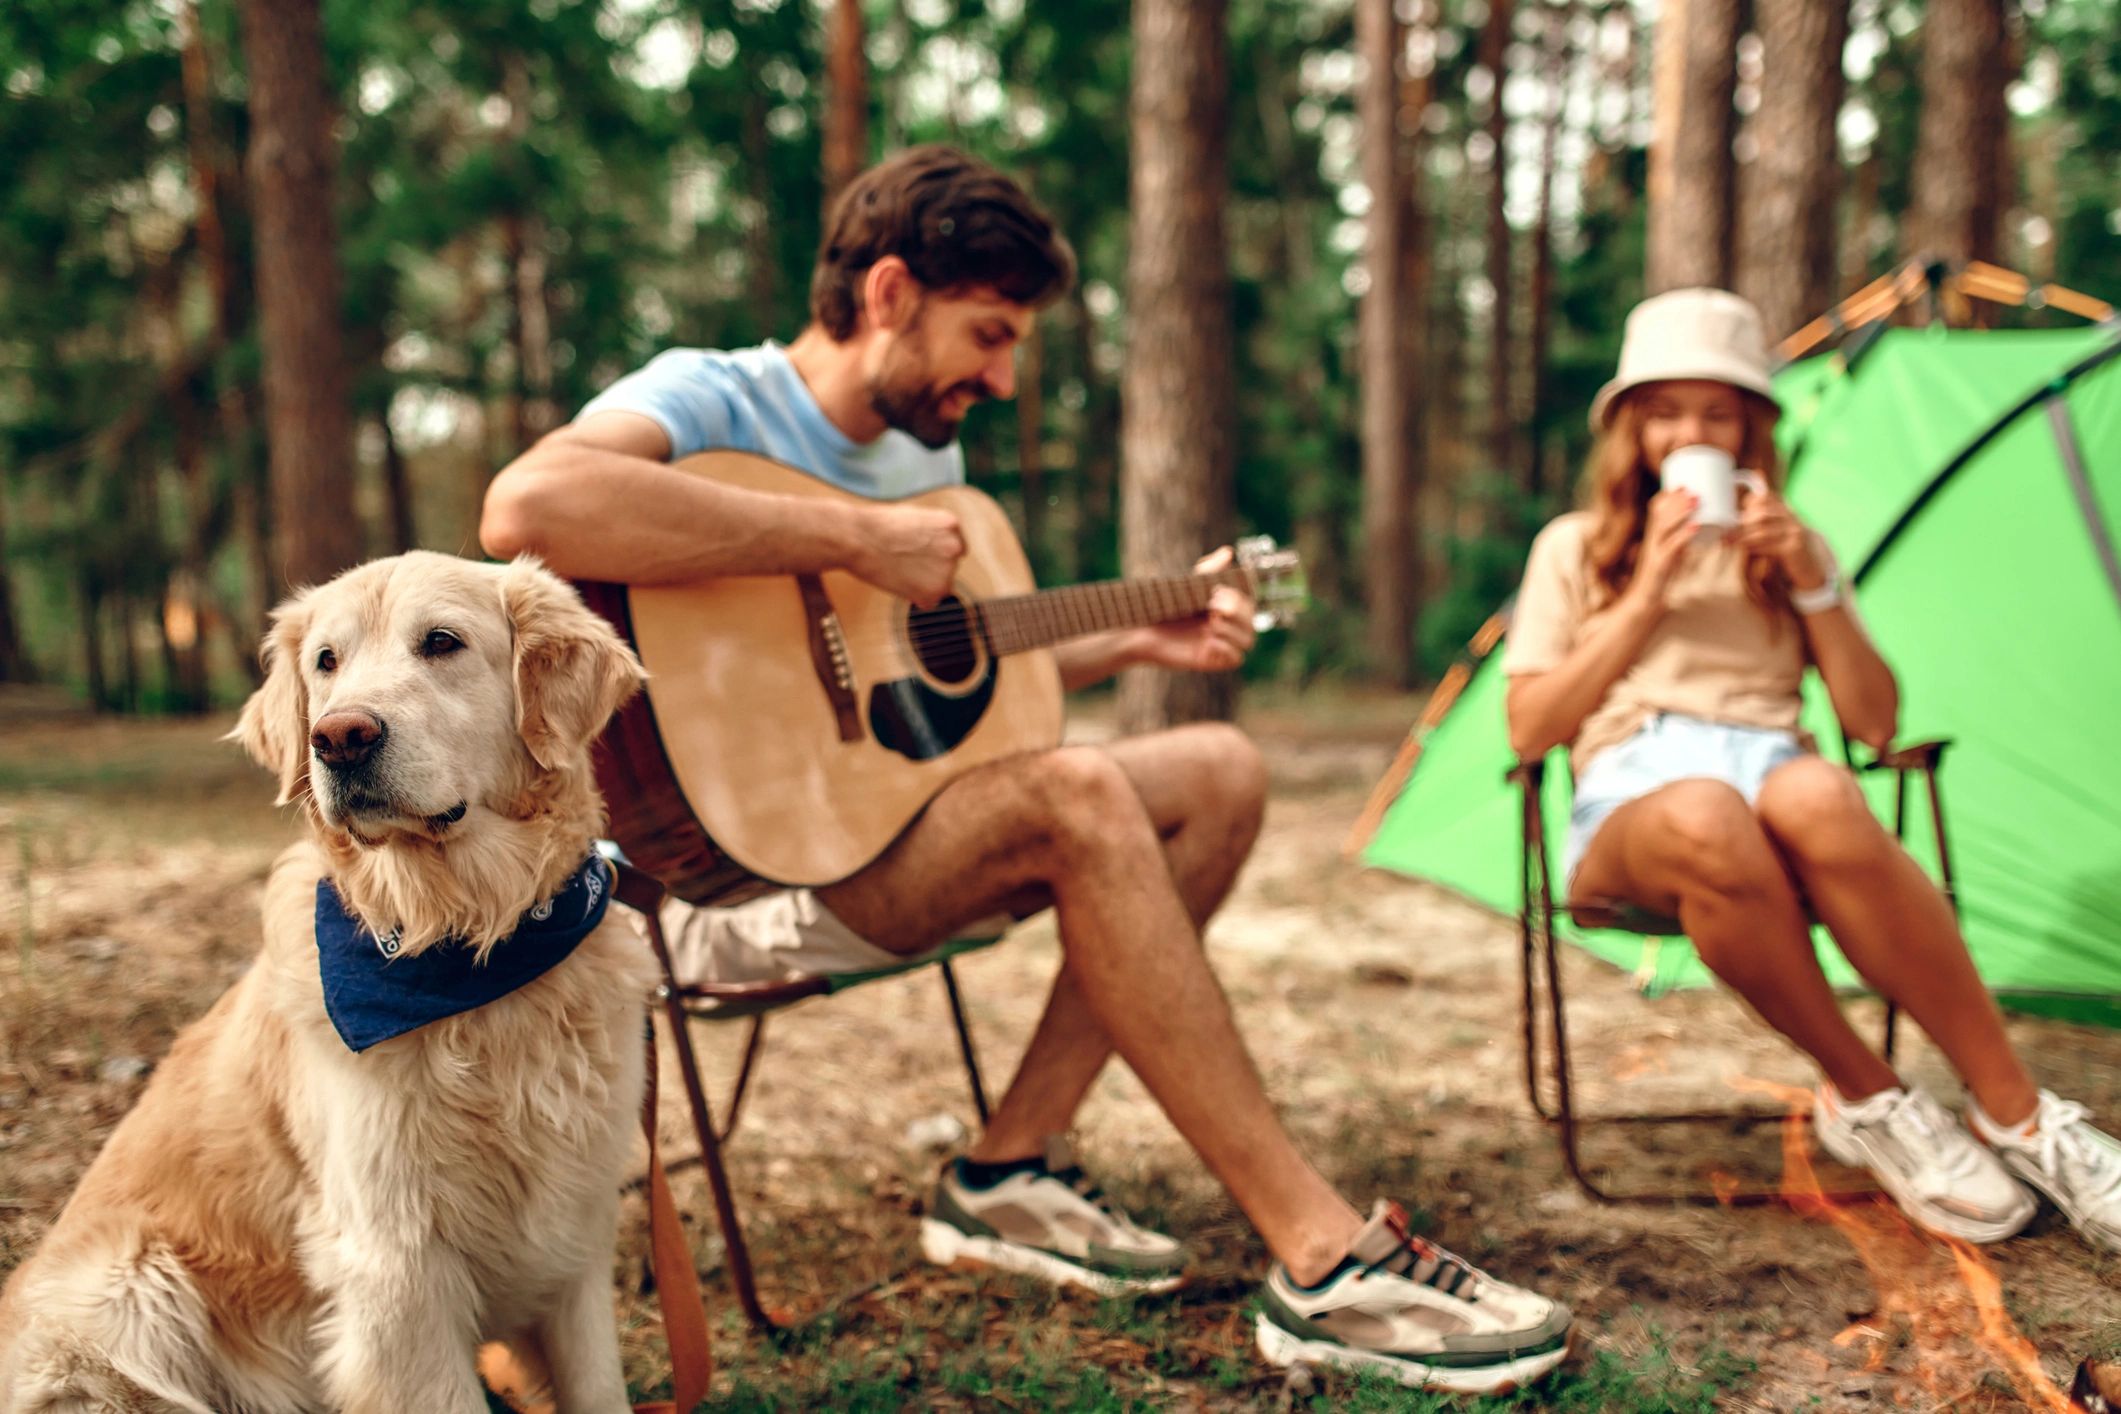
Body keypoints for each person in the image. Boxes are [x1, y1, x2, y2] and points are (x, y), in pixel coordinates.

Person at [483, 145, 1571, 1392]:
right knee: (1079, 793)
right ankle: (1321, 1255)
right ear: (888, 292)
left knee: (1219, 768)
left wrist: (1128, 639)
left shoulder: (924, 458)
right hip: (718, 888)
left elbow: (910, 685)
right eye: (987, 335)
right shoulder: (713, 396)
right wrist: (852, 532)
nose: (1000, 376)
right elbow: (529, 506)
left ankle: (1008, 1164)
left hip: (864, 842)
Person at [1504, 287, 2121, 1250]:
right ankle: (1869, 1095)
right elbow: (1528, 730)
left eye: (1717, 414)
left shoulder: (1787, 553)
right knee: (1710, 807)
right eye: (1666, 411)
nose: (1688, 434)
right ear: (1632, 428)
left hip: (1774, 779)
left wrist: (1815, 582)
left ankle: (2019, 1116)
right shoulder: (1574, 550)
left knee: (1820, 787)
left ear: (1749, 433)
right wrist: (1647, 593)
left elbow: (1874, 726)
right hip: (1635, 794)